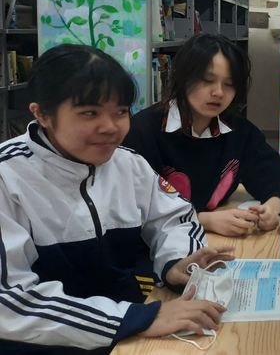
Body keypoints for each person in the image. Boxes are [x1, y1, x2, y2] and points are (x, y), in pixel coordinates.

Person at [0, 44, 235, 354]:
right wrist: (134, 319)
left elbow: (175, 217)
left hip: (128, 331)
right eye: (90, 113)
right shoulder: (8, 176)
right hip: (48, 343)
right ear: (42, 114)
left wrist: (176, 262)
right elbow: (9, 302)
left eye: (121, 112)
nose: (110, 127)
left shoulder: (127, 163)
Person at [123, 34, 280, 237]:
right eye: (207, 80)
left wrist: (272, 208)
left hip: (213, 244)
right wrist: (203, 220)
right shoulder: (142, 131)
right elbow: (130, 211)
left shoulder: (239, 132)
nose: (218, 92)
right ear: (182, 77)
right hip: (158, 252)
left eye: (229, 84)